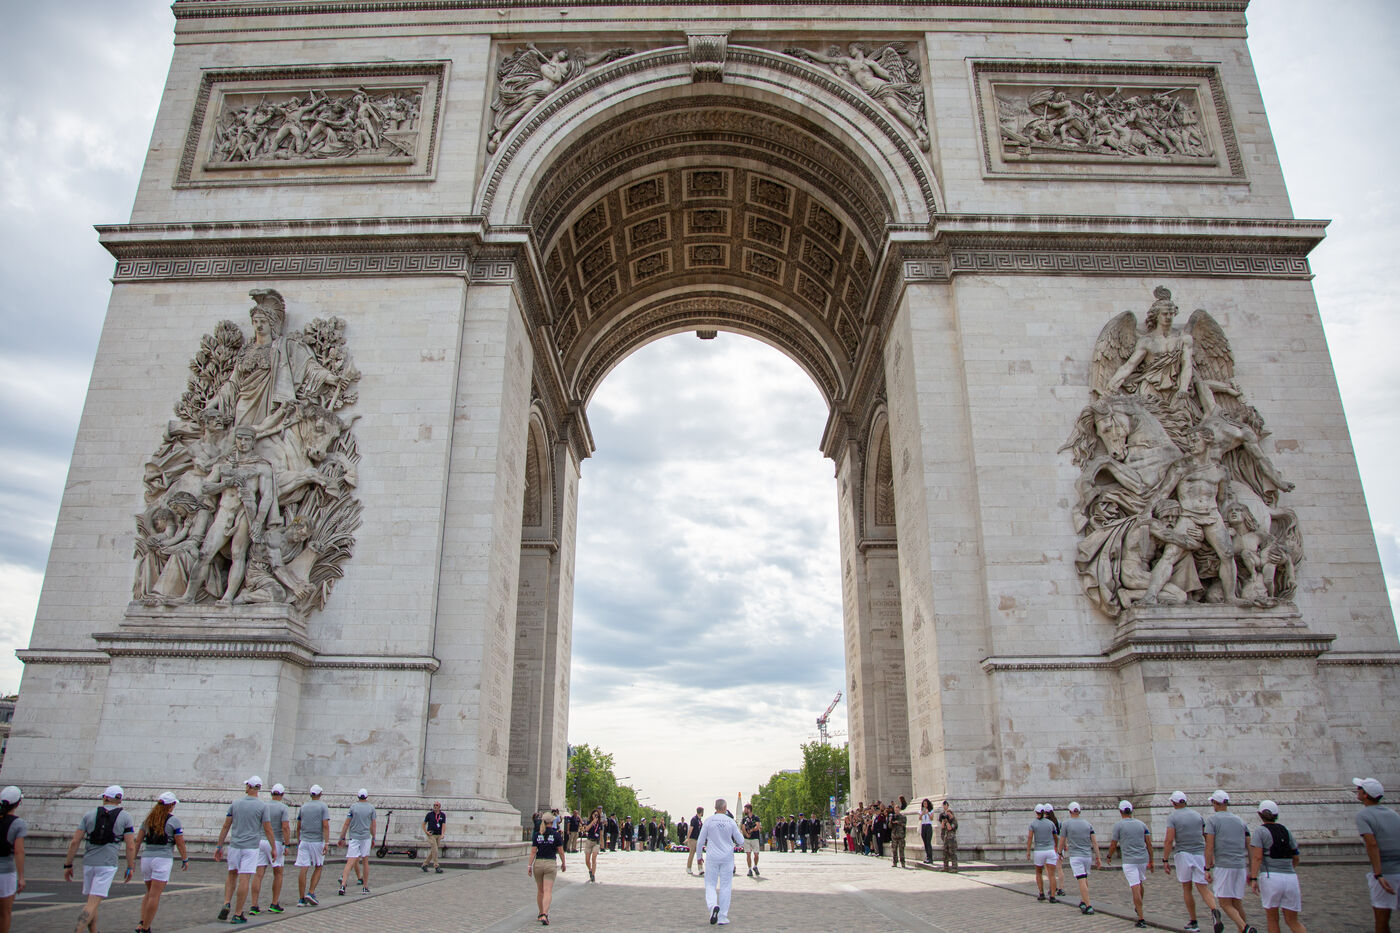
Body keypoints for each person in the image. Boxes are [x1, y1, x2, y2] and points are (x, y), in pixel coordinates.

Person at [65, 785, 137, 933]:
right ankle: (78, 930)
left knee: (92, 900)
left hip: (89, 862)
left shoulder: (89, 815)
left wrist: (68, 864)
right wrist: (130, 866)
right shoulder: (125, 817)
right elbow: (130, 846)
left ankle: (94, 931)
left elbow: (75, 841)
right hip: (107, 864)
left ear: (105, 797)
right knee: (92, 904)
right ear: (120, 800)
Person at [214, 776, 276, 924]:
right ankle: (237, 913)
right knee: (244, 878)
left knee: (231, 875)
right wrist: (273, 847)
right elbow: (267, 829)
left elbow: (226, 825)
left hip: (235, 846)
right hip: (251, 847)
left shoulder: (235, 803)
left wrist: (219, 846)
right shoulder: (262, 806)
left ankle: (226, 902)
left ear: (249, 787)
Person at [1164, 791, 1224, 933]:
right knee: (1203, 887)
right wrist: (1210, 857)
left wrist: (1165, 859)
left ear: (1173, 803)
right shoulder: (1197, 815)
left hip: (1183, 854)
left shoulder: (1173, 817)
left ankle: (1193, 921)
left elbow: (1169, 840)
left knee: (1187, 888)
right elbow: (1206, 836)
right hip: (1200, 854)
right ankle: (1214, 910)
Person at [1249, 800, 1306, 933]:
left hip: (1271, 877)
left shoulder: (1260, 831)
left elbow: (1257, 857)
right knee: (1293, 921)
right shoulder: (1286, 831)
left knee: (1273, 919)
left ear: (1260, 814)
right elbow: (1296, 857)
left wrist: (1253, 878)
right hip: (1290, 877)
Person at [134, 792, 186, 933]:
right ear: (171, 805)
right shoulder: (174, 821)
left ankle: (141, 922)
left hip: (146, 858)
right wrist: (184, 858)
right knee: (155, 895)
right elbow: (180, 842)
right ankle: (146, 928)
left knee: (149, 892)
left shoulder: (148, 820)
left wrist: (132, 859)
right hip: (163, 858)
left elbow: (138, 841)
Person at [1354, 777, 1400, 933]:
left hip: (1386, 873)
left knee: (1382, 918)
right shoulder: (1393, 814)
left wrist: (1378, 874)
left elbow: (1372, 844)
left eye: (1359, 789)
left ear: (1365, 795)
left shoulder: (1363, 815)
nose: (1357, 791)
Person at [1204, 789, 1254, 933]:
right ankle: (1242, 930)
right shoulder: (1240, 821)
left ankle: (1245, 928)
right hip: (1240, 865)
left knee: (1225, 903)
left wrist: (1207, 868)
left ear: (1216, 803)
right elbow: (1249, 846)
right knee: (1237, 903)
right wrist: (1252, 870)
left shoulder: (1212, 820)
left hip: (1224, 865)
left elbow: (1209, 846)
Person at [696, 798, 747, 925]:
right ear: (725, 808)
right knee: (725, 886)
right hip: (727, 858)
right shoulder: (730, 821)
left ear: (715, 807)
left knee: (710, 884)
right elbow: (741, 841)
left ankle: (713, 906)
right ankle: (723, 916)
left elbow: (700, 841)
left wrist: (699, 857)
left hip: (712, 857)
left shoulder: (708, 821)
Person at [1106, 800, 1154, 928]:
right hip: (1142, 859)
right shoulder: (1142, 824)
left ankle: (1141, 917)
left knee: (1135, 887)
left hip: (1129, 860)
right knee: (1139, 883)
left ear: (1120, 811)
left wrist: (1109, 856)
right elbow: (1149, 843)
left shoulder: (1118, 826)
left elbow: (1113, 844)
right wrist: (1151, 860)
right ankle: (1139, 907)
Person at [250, 783, 291, 913]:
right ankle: (274, 903)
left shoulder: (263, 806)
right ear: (282, 794)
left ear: (271, 793)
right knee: (278, 873)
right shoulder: (283, 808)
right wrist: (287, 844)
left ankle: (254, 905)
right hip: (276, 842)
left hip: (261, 841)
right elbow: (285, 827)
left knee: (258, 874)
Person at [1058, 802, 1101, 915]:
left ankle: (1088, 905)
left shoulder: (1066, 824)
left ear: (1070, 811)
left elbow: (1062, 840)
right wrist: (1098, 857)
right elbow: (1094, 842)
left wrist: (1059, 852)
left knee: (1081, 880)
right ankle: (1083, 901)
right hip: (1087, 856)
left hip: (1076, 856)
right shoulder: (1087, 824)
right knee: (1085, 879)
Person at [527, 811, 566, 926]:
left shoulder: (537, 834)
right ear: (552, 821)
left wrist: (529, 865)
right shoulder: (556, 835)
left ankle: (540, 913)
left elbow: (533, 852)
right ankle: (545, 913)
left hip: (538, 863)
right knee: (548, 890)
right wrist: (563, 863)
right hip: (550, 863)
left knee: (540, 891)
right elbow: (561, 851)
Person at [295, 784, 330, 906]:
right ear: (320, 794)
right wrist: (327, 842)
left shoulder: (303, 806)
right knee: (318, 866)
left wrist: (299, 840)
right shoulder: (323, 806)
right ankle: (310, 892)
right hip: (317, 841)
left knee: (303, 868)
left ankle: (301, 899)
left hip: (304, 840)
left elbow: (298, 826)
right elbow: (325, 825)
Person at [337, 788, 376, 895]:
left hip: (354, 837)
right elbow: (373, 825)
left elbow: (346, 824)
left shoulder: (353, 807)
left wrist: (341, 837)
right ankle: (365, 887)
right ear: (367, 797)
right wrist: (374, 837)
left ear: (358, 796)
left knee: (350, 861)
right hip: (365, 837)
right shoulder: (371, 808)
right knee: (365, 861)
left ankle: (343, 885)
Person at [0, 786, 26, 933]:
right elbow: (19, 851)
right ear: (18, 803)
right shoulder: (18, 823)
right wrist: (21, 877)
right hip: (6, 872)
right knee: (5, 913)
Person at [1026, 804, 1061, 903]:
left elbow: (1030, 838)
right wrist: (1056, 846)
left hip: (1039, 850)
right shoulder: (1050, 823)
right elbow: (1055, 837)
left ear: (1036, 812)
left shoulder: (1033, 824)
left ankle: (1041, 893)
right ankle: (1053, 896)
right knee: (1052, 874)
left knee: (1039, 872)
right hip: (1050, 850)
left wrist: (1028, 851)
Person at [422, 801, 447, 873]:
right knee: (435, 849)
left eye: (436, 805)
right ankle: (436, 866)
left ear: (439, 807)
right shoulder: (429, 814)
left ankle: (424, 864)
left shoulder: (443, 815)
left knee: (433, 850)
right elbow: (423, 824)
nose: (435, 806)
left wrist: (442, 834)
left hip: (438, 834)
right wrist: (426, 832)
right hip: (431, 834)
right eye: (434, 805)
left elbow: (443, 825)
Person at [740, 804, 763, 877]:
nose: (744, 810)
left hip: (755, 837)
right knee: (748, 854)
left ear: (749, 809)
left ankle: (755, 866)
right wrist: (746, 834)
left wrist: (752, 830)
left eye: (745, 809)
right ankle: (749, 869)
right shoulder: (744, 819)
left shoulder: (756, 818)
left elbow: (758, 826)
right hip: (747, 839)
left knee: (756, 854)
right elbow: (743, 827)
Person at [583, 807, 603, 882]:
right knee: (587, 860)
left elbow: (601, 834)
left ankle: (593, 875)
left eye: (597, 815)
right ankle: (590, 870)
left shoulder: (600, 824)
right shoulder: (589, 822)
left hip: (596, 842)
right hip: (589, 841)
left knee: (594, 858)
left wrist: (602, 844)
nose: (595, 816)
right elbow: (586, 829)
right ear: (592, 815)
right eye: (594, 815)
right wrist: (592, 822)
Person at [939, 801, 960, 872]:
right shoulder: (946, 821)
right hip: (946, 838)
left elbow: (950, 828)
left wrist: (947, 822)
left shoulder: (954, 821)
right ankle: (945, 867)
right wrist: (943, 820)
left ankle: (954, 868)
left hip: (952, 839)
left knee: (952, 853)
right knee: (945, 853)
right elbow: (942, 827)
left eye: (949, 814)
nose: (948, 816)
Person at [890, 797, 908, 868]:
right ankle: (895, 862)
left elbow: (904, 824)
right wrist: (891, 821)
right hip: (894, 835)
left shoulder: (903, 817)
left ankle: (903, 862)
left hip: (901, 835)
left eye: (897, 810)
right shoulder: (893, 817)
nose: (896, 811)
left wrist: (898, 822)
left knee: (901, 850)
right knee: (894, 850)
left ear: (899, 810)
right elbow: (889, 826)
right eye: (895, 810)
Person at [688, 807, 704, 874]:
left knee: (699, 853)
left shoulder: (699, 820)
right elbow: (690, 829)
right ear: (701, 812)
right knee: (692, 853)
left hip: (698, 839)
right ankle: (688, 868)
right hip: (693, 839)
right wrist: (688, 839)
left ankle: (700, 868)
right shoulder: (694, 819)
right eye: (703, 812)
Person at [918, 799, 935, 863]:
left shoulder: (931, 810)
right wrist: (922, 814)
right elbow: (919, 818)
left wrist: (928, 813)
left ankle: (930, 858)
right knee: (925, 842)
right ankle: (927, 856)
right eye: (924, 804)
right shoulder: (921, 811)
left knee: (928, 842)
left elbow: (931, 818)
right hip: (923, 826)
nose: (925, 805)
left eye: (926, 804)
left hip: (928, 825)